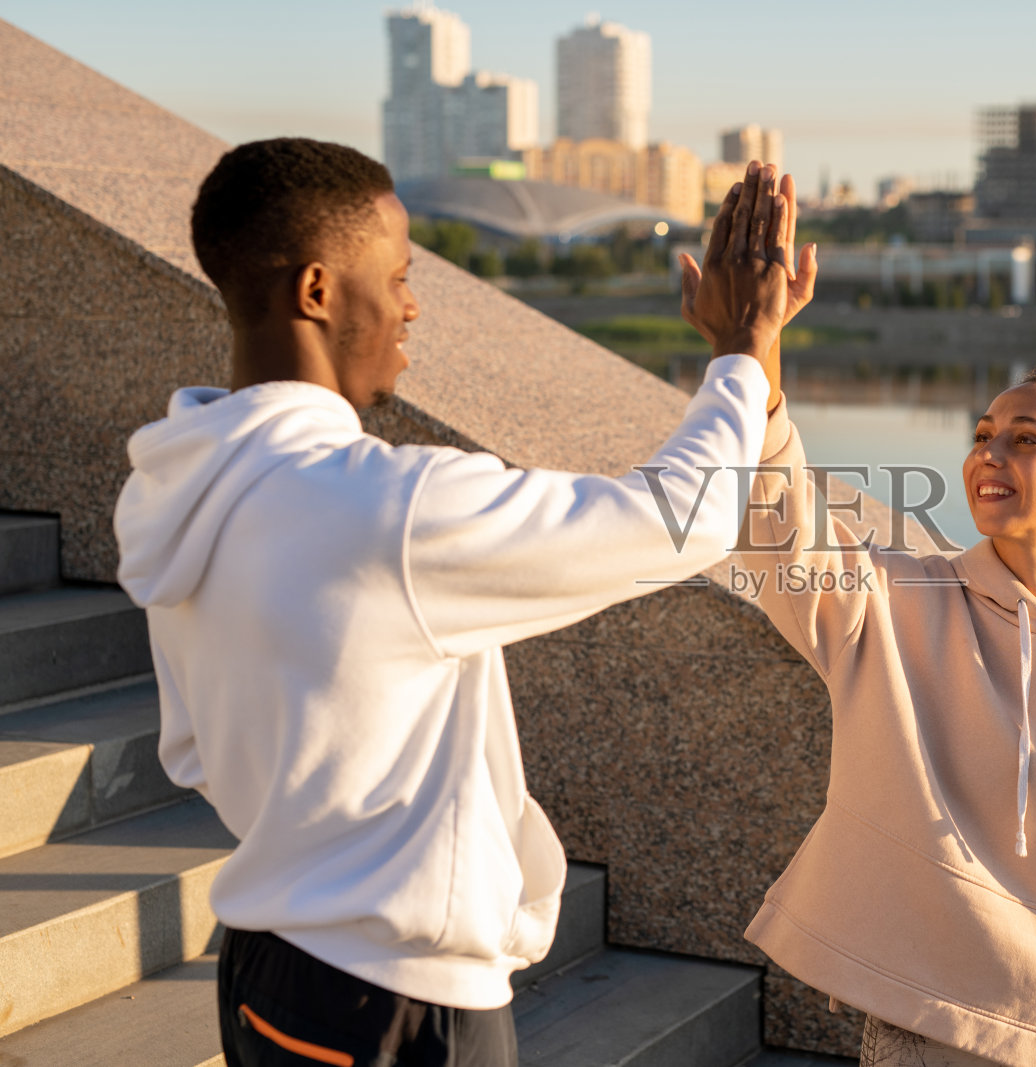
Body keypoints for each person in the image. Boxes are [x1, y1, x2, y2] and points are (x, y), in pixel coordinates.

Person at [113, 138, 813, 1067]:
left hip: (266, 966)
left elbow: (196, 749)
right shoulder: (385, 507)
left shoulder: (181, 482)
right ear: (318, 292)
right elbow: (679, 520)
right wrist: (743, 354)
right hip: (394, 1001)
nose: (412, 304)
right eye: (399, 276)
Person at [732, 367, 1036, 1066]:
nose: (988, 455)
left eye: (1025, 439)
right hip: (932, 1030)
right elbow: (779, 534)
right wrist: (757, 366)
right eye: (982, 436)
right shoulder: (897, 602)